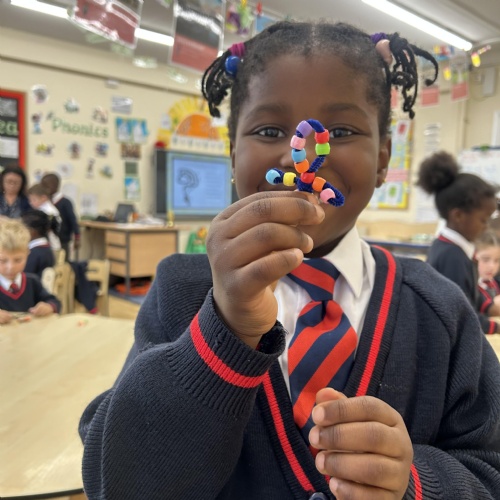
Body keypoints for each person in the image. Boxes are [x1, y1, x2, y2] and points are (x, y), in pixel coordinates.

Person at [79, 21, 500, 500]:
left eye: (339, 131)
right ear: (232, 154)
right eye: (268, 130)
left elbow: (490, 469)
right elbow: (116, 484)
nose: (302, 160)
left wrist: (417, 484)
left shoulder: (439, 310)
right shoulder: (181, 290)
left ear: (384, 157)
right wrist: (225, 331)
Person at [418, 151, 499, 334]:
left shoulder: (453, 248)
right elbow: (462, 316)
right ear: (458, 216)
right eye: (483, 220)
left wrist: (489, 307)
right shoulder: (452, 256)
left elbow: (468, 296)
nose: (487, 227)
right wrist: (496, 327)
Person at [0, 219, 60, 324]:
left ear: (27, 254)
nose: (11, 267)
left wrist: (48, 306)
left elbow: (54, 302)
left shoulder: (32, 281)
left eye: (18, 260)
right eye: (2, 260)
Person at [41, 172, 80, 260]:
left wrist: (77, 237)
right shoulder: (45, 202)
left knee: (63, 262)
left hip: (63, 240)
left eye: (45, 186)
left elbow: (73, 220)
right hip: (48, 241)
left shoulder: (65, 202)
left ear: (55, 185)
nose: (43, 188)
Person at [27, 183, 61, 252]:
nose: (31, 203)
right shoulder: (40, 210)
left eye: (34, 200)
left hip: (51, 246)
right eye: (30, 200)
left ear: (43, 198)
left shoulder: (49, 211)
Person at [21, 209, 55, 279]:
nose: (20, 233)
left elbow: (24, 277)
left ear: (32, 232)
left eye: (22, 229)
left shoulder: (33, 254)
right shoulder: (45, 248)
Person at [475, 229, 500, 321]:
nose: (492, 266)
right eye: (485, 259)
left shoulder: (494, 283)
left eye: (497, 260)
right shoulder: (472, 288)